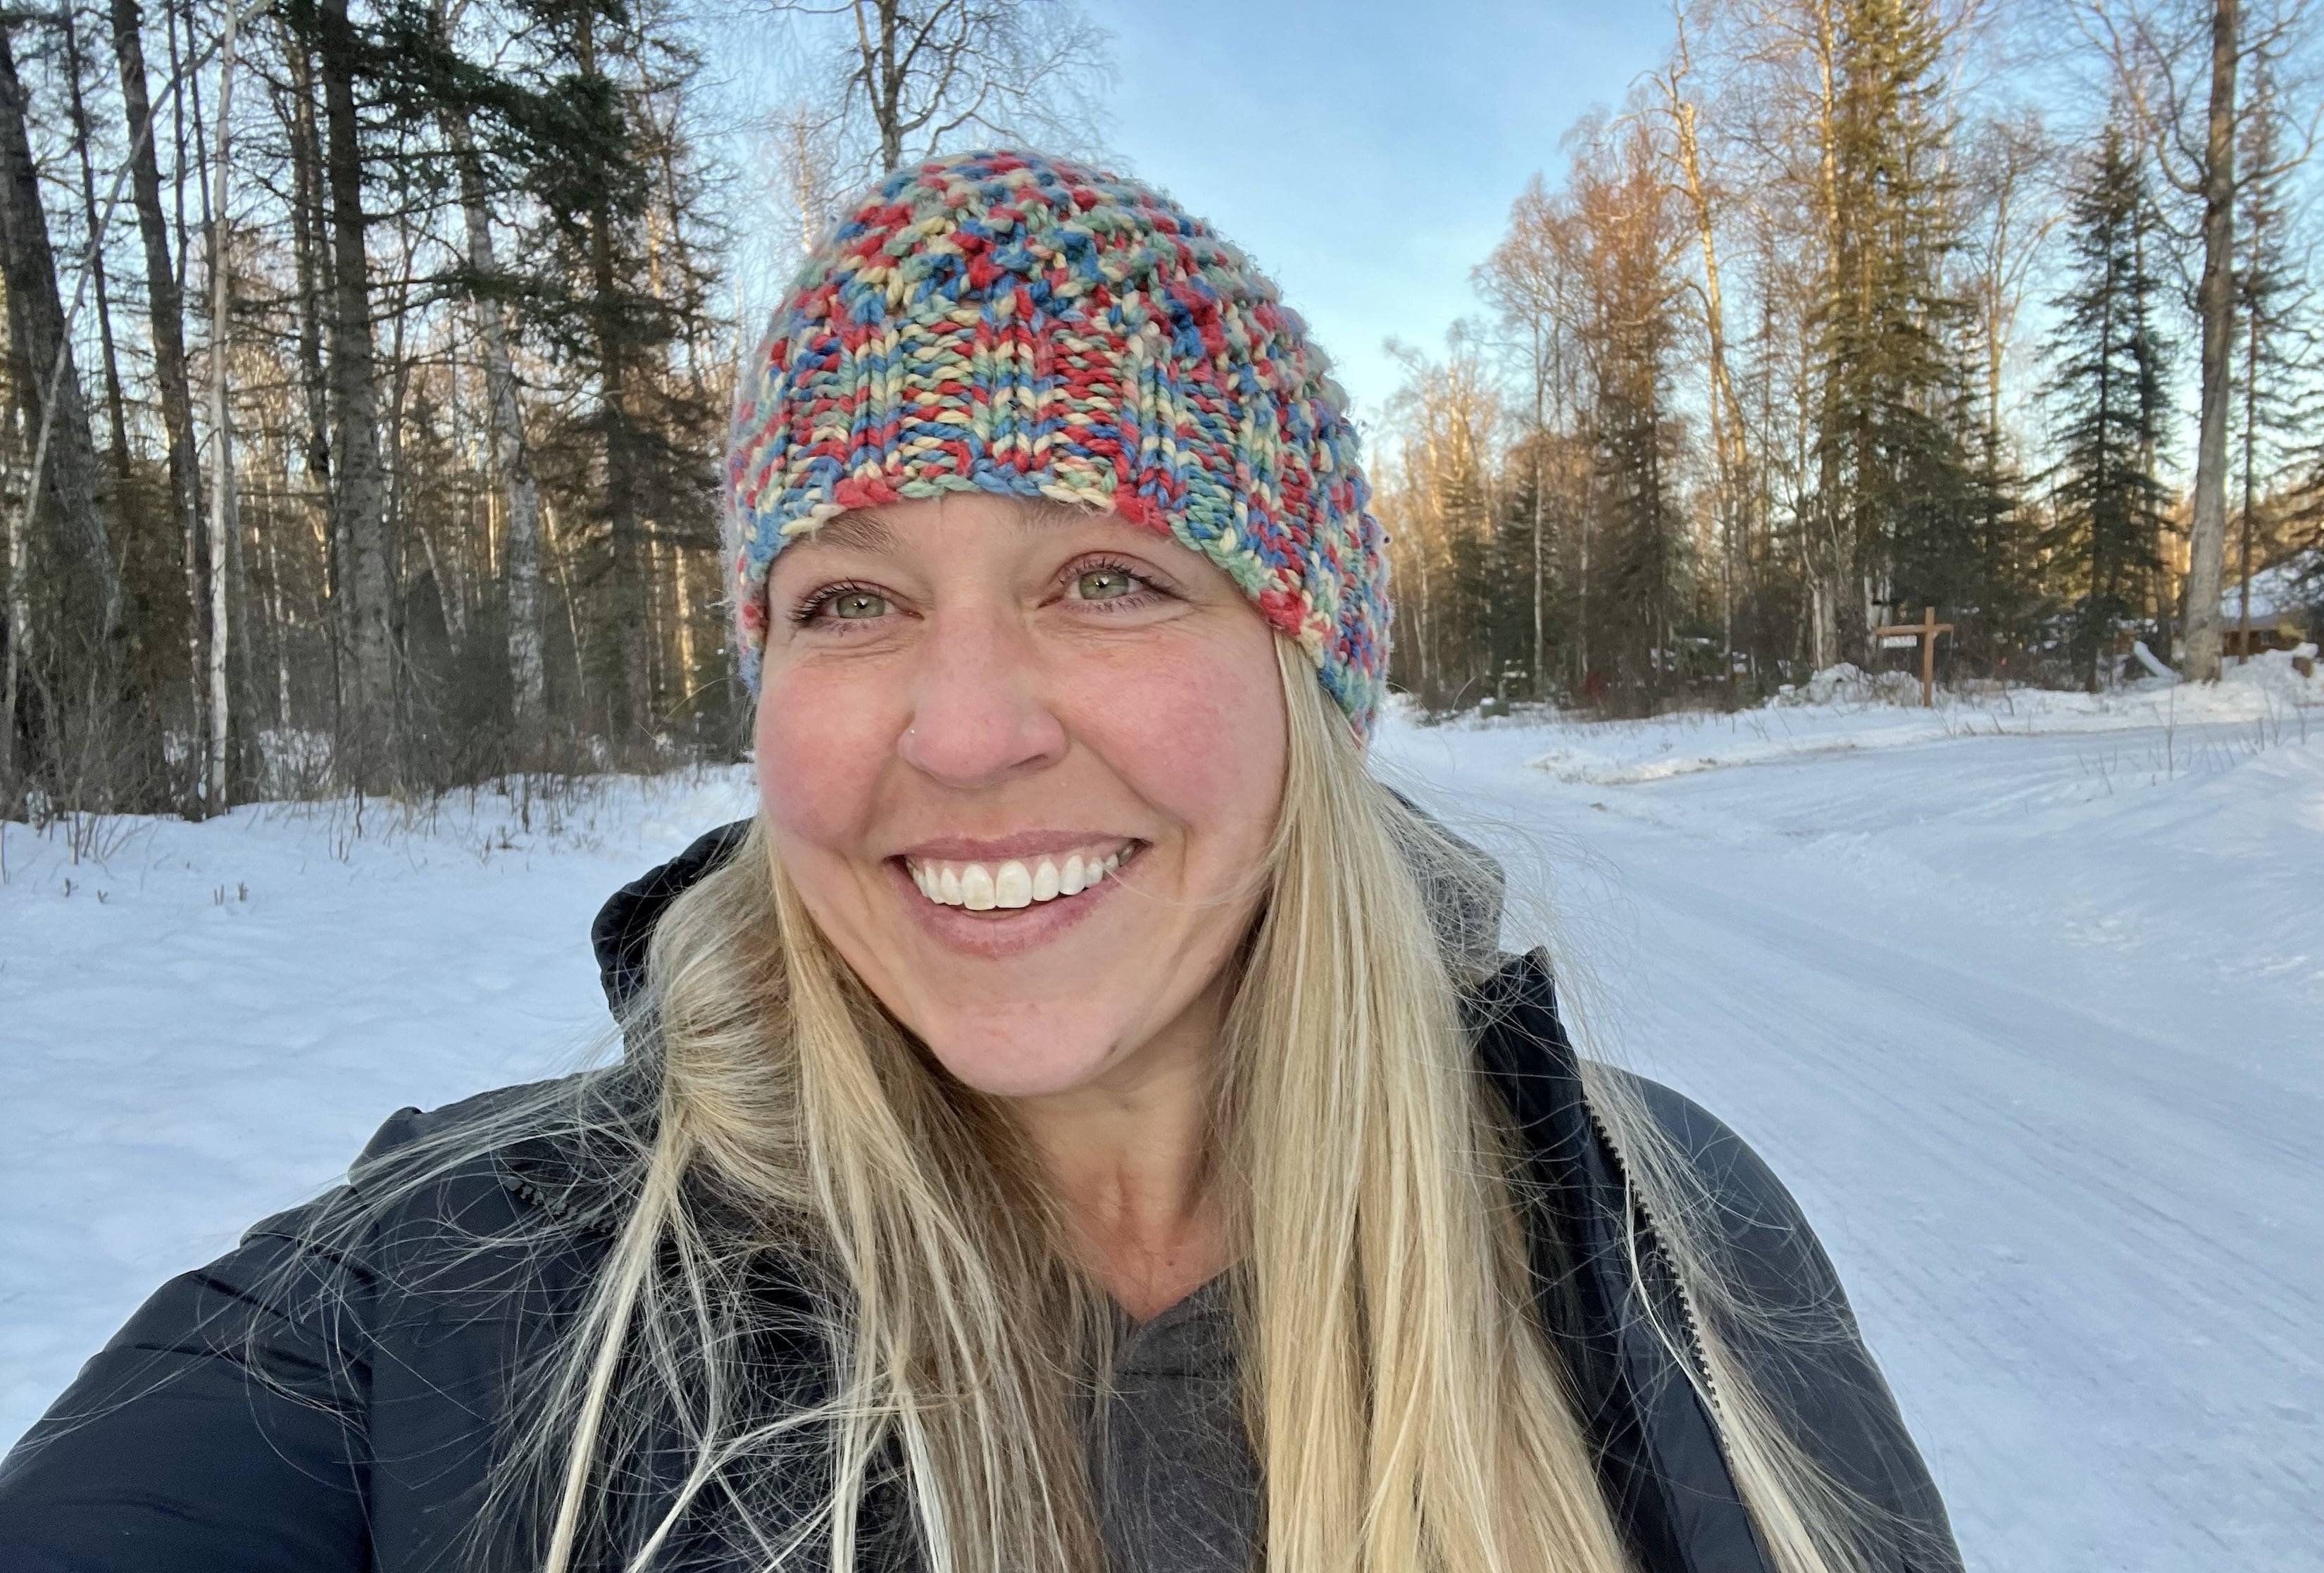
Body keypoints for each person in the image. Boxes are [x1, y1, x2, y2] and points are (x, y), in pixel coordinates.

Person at [0, 150, 1960, 1573]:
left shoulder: (1658, 1246)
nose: (963, 728)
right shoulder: (445, 1298)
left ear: (1317, 685)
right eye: (851, 604)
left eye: (1107, 575)